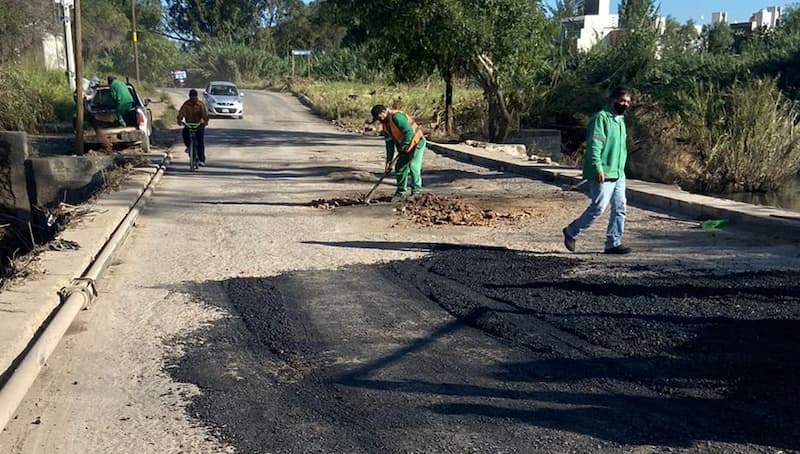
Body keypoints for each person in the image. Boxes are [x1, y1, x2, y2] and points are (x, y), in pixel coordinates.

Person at [562, 86, 634, 255]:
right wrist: (597, 167)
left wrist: (622, 169)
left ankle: (613, 242)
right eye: (622, 101)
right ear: (613, 100)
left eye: (627, 102)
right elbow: (595, 145)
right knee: (598, 207)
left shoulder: (621, 121)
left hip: (618, 173)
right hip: (603, 172)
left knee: (620, 206)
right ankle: (571, 231)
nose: (624, 104)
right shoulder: (601, 119)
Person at [368, 104, 427, 201]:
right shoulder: (385, 125)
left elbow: (408, 132)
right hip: (405, 147)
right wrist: (389, 161)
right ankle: (400, 193)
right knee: (400, 167)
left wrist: (404, 145)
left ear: (383, 112)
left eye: (379, 117)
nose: (379, 120)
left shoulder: (397, 117)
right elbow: (389, 144)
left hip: (416, 143)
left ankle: (416, 192)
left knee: (413, 166)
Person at [176, 89, 210, 166]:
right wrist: (179, 120)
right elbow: (181, 113)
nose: (193, 98)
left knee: (200, 142)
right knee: (184, 134)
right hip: (189, 125)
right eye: (191, 97)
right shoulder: (186, 105)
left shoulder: (201, 105)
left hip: (199, 125)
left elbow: (205, 115)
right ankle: (189, 147)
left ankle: (201, 159)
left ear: (196, 96)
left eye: (194, 97)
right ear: (189, 97)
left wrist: (205, 122)